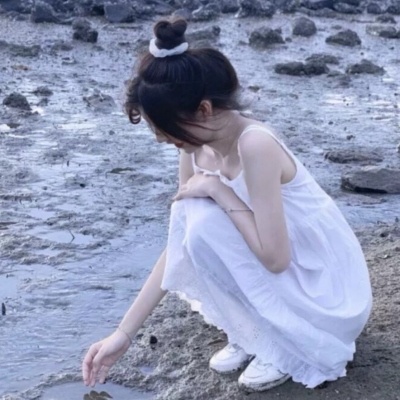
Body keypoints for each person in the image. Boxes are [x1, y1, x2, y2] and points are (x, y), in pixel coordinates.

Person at [82, 17, 372, 392]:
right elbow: (179, 242)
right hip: (289, 270)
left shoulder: (255, 144)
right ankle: (252, 332)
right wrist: (123, 333)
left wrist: (221, 191)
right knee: (191, 215)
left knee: (203, 215)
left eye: (166, 129)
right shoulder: (194, 148)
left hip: (325, 287)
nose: (162, 139)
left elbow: (276, 258)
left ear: (203, 110)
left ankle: (282, 344)